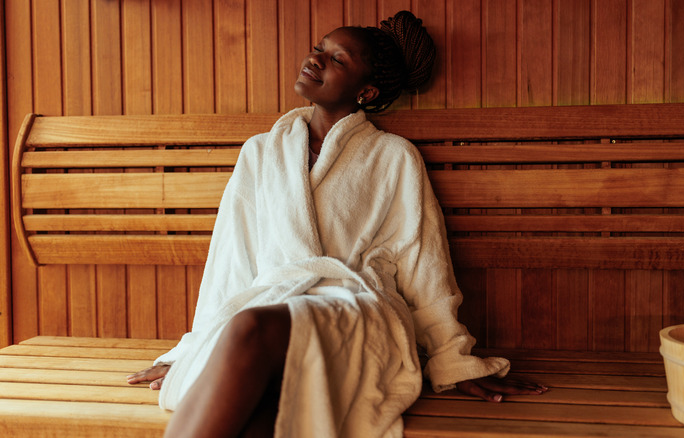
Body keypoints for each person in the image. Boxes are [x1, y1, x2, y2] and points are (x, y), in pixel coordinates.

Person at [127, 10, 547, 438]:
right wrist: (196, 347)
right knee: (260, 410)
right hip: (276, 308)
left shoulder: (393, 156)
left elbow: (423, 264)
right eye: (319, 49)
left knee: (251, 329)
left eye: (337, 59)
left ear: (366, 90)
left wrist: (451, 358)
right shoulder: (260, 152)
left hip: (357, 310)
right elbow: (231, 260)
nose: (316, 59)